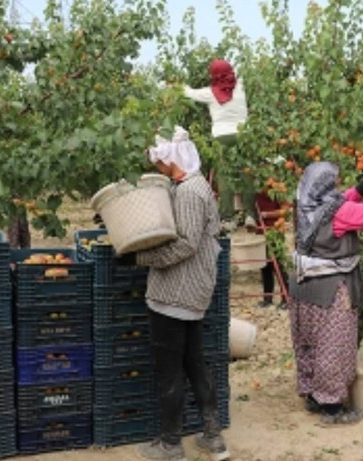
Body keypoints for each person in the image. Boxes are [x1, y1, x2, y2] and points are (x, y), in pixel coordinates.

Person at [135, 127, 230, 461]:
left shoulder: (189, 192)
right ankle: (213, 437)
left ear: (172, 158)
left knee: (170, 369)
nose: (157, 164)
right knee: (193, 362)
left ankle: (170, 444)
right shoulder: (194, 185)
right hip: (191, 293)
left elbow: (186, 243)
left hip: (175, 293)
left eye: (160, 159)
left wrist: (141, 257)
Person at [289, 162, 363, 425]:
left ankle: (314, 395)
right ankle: (332, 408)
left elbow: (344, 198)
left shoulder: (306, 205)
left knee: (311, 342)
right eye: (335, 180)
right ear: (325, 184)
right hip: (330, 289)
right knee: (333, 344)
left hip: (304, 287)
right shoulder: (338, 213)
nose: (338, 184)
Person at [183, 59, 255, 231]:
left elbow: (189, 93)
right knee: (247, 174)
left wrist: (178, 86)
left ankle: (228, 219)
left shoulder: (210, 93)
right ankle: (250, 215)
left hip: (222, 136)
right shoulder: (241, 86)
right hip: (244, 135)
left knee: (224, 177)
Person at [255, 190, 290, 309]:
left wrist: (266, 215)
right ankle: (267, 298)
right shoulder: (256, 190)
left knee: (278, 265)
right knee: (265, 265)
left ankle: (286, 298)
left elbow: (285, 210)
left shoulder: (277, 188)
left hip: (274, 231)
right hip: (261, 231)